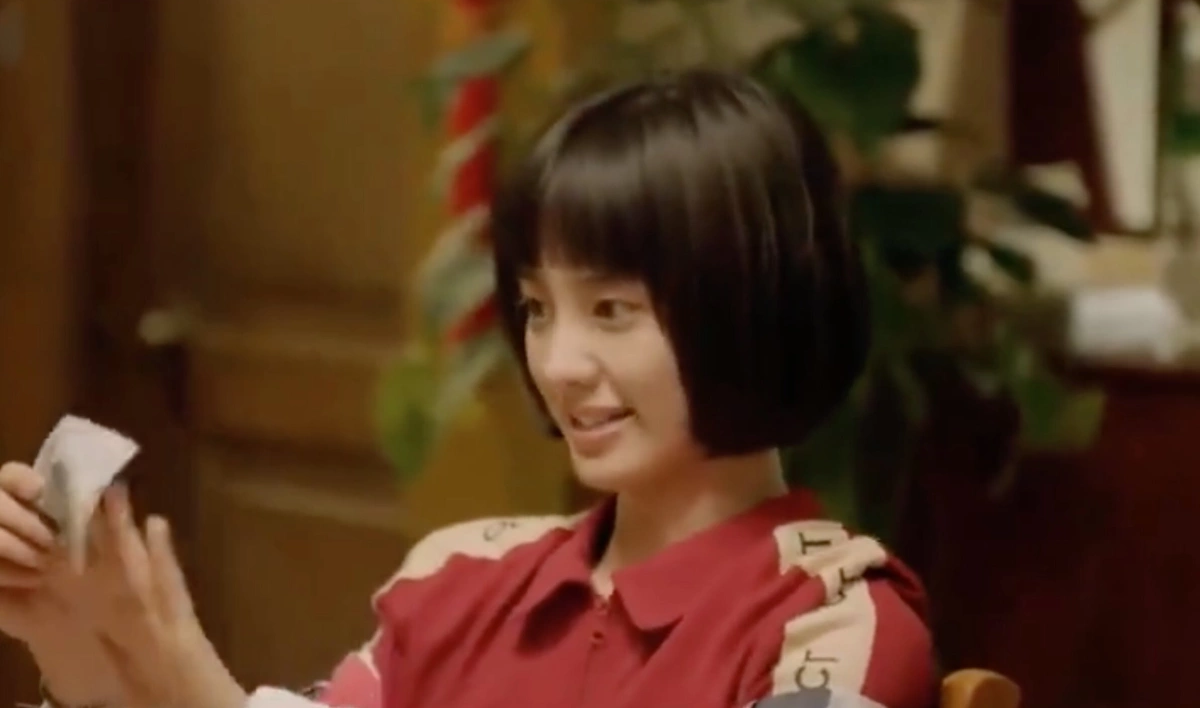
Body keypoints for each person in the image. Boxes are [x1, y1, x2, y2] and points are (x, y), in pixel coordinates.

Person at [0, 69, 935, 708]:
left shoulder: (831, 623)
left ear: (752, 302)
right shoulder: (461, 577)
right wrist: (90, 648)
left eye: (611, 310)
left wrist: (179, 671)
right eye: (537, 308)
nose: (558, 362)